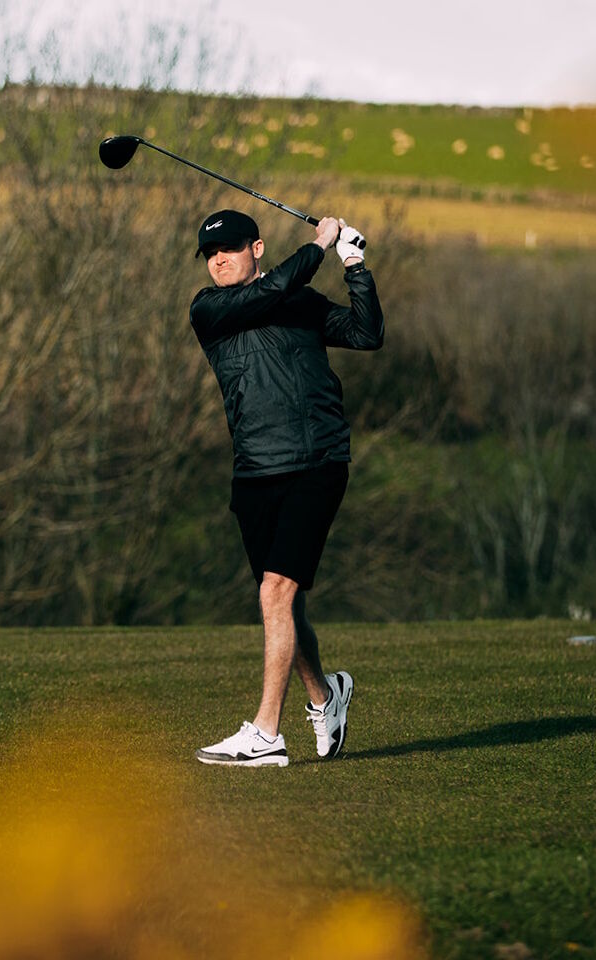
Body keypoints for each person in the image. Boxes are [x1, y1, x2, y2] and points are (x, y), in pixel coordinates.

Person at [189, 208, 384, 767]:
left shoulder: (300, 302)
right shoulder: (210, 310)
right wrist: (319, 244)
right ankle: (326, 696)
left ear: (257, 247)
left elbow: (367, 333)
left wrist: (354, 264)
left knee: (276, 593)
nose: (218, 260)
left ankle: (266, 734)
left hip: (316, 463)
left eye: (228, 248)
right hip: (254, 473)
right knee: (284, 605)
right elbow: (270, 290)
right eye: (210, 254)